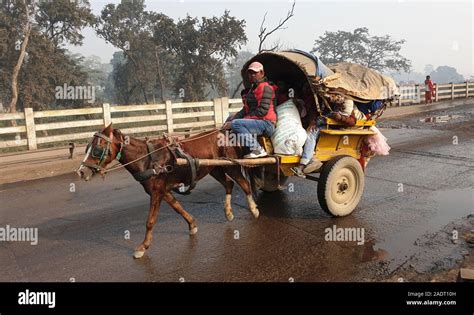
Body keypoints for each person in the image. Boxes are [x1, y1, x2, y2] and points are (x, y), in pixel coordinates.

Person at [223, 61, 277, 158]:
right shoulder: (253, 89)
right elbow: (246, 109)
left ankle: (257, 149)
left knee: (236, 124)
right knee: (230, 119)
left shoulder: (265, 87)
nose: (252, 75)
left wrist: (237, 121)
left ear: (262, 73)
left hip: (267, 123)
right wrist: (232, 119)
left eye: (255, 73)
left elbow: (262, 111)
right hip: (258, 122)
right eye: (250, 73)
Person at [291, 84, 323, 177]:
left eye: (308, 88)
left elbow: (316, 112)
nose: (306, 90)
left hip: (323, 123)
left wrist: (313, 122)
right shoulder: (304, 99)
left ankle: (303, 164)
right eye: (305, 88)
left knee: (310, 132)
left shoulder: (319, 99)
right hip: (310, 121)